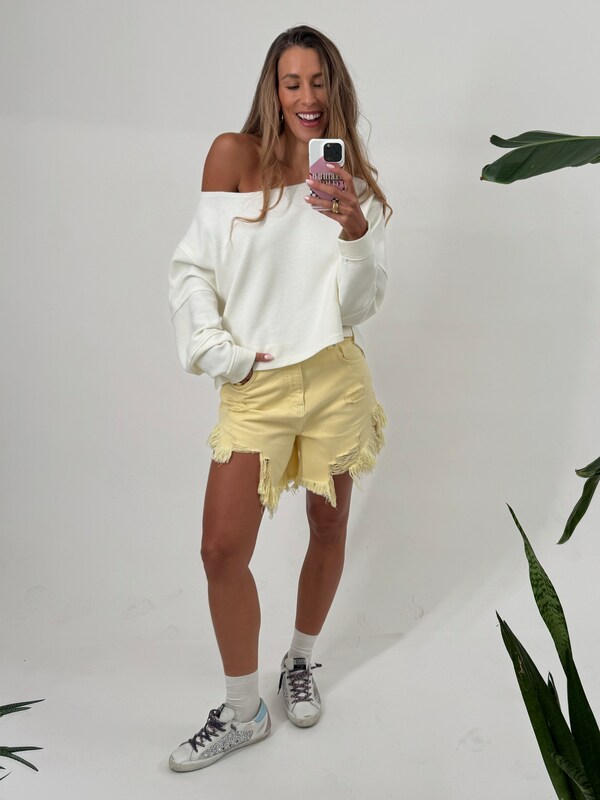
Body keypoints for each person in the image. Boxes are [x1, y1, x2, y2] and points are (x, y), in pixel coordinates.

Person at [167, 24, 391, 772]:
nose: (307, 96)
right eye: (293, 82)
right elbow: (193, 269)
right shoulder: (233, 156)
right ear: (274, 88)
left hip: (333, 377)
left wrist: (354, 232)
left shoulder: (347, 177)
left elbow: (357, 305)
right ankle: (244, 709)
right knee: (221, 550)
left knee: (327, 527)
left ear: (335, 87)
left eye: (319, 81)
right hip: (255, 384)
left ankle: (299, 659)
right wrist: (218, 353)